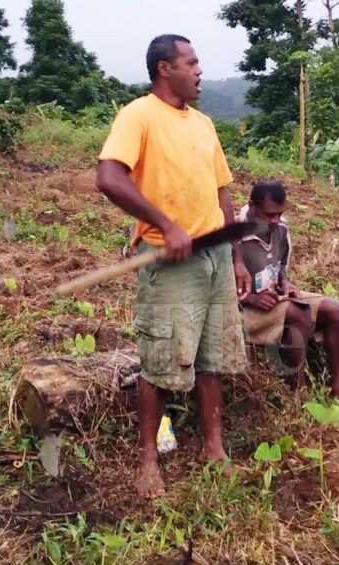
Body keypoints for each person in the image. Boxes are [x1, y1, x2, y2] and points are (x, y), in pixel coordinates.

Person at [96, 35, 249, 499]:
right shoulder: (139, 115)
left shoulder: (203, 124)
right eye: (192, 62)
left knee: (212, 358)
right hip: (171, 259)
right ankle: (147, 461)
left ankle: (215, 452)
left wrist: (236, 256)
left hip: (215, 257)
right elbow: (108, 176)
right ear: (165, 69)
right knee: (161, 361)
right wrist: (166, 224)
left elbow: (222, 193)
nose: (200, 71)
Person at [237, 181, 339, 397]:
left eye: (280, 213)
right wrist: (251, 298)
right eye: (270, 214)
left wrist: (285, 283)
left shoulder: (281, 228)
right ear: (252, 205)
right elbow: (218, 288)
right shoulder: (234, 236)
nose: (275, 220)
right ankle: (297, 392)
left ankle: (337, 387)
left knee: (333, 309)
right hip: (242, 307)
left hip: (273, 298)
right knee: (298, 313)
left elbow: (280, 269)